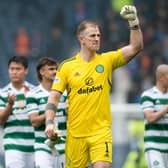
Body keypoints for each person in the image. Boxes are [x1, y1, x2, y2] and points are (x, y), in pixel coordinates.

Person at [45, 5, 143, 168]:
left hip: (100, 132)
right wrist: (49, 122)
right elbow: (54, 97)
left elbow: (136, 47)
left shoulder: (107, 60)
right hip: (75, 135)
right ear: (81, 39)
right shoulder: (67, 67)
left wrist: (134, 22)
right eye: (92, 36)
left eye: (98, 35)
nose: (97, 38)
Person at [26, 57, 67, 168]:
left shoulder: (66, 93)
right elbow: (34, 122)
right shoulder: (33, 94)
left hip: (65, 147)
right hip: (43, 147)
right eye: (50, 69)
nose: (55, 72)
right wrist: (51, 111)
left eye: (56, 69)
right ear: (41, 72)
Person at [0, 56, 35, 168]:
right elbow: (0, 120)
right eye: (12, 69)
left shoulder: (35, 91)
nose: (14, 72)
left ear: (26, 70)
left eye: (18, 69)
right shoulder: (2, 93)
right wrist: (10, 104)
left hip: (34, 145)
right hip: (13, 145)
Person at [140, 64, 168, 168]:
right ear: (161, 77)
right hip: (154, 147)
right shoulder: (148, 95)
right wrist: (165, 109)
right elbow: (150, 118)